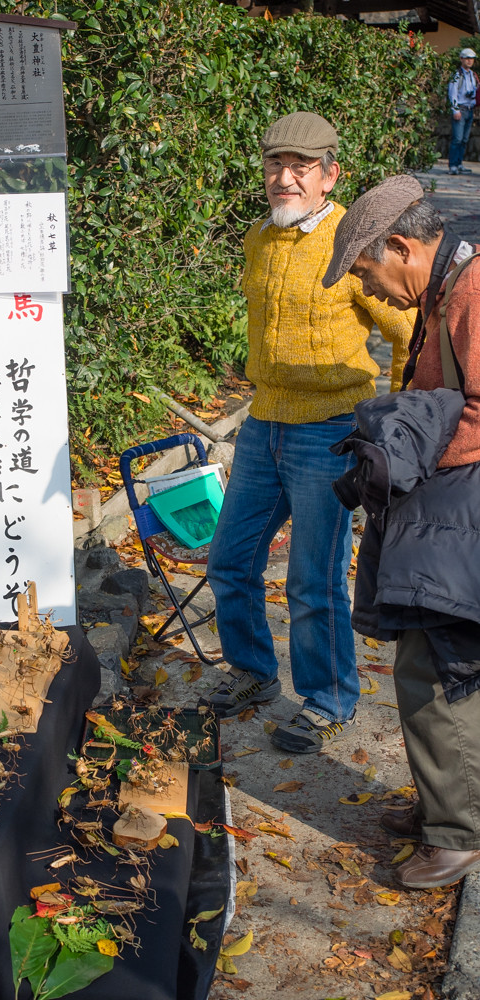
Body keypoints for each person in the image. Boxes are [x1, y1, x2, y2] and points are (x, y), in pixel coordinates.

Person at [205, 112, 415, 754]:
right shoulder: (259, 236)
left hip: (327, 432)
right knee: (229, 559)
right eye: (276, 165)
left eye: (301, 167)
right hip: (262, 423)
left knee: (312, 580)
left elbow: (407, 330)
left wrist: (400, 423)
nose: (285, 178)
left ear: (330, 175)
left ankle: (328, 699)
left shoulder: (353, 242)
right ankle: (252, 671)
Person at [322, 174, 480, 889]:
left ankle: (457, 832)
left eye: (366, 272)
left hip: (463, 516)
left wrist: (409, 449)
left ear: (401, 247)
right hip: (451, 512)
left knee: (438, 666)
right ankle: (443, 805)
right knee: (436, 657)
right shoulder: (446, 289)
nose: (370, 290)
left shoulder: (471, 293)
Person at [448, 47, 478, 175]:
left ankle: (459, 163)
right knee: (457, 139)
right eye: (467, 58)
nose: (469, 61)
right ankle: (453, 165)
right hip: (460, 109)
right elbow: (452, 93)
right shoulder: (457, 75)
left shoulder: (473, 75)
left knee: (465, 139)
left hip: (470, 109)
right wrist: (455, 110)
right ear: (461, 59)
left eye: (471, 59)